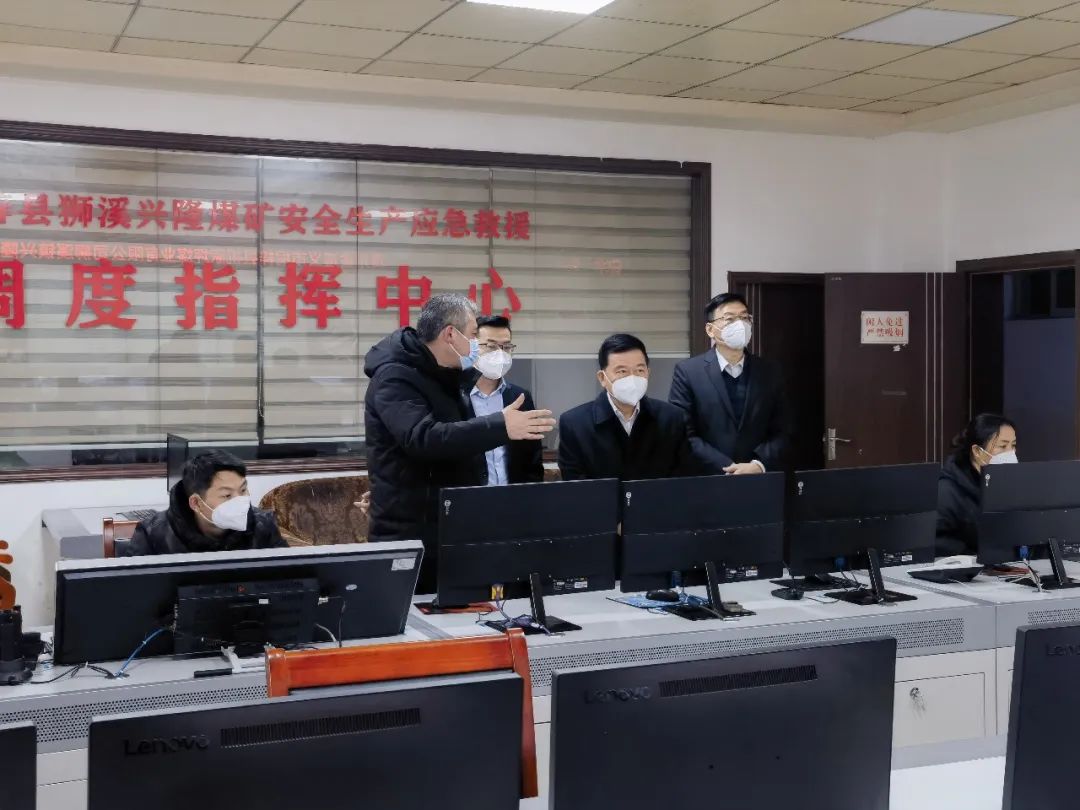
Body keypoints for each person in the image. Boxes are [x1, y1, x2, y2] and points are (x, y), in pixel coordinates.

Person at [364, 293, 555, 592]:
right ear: (450, 334)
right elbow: (424, 437)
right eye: (474, 335)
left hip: (455, 528)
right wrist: (501, 425)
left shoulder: (445, 376)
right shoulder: (395, 377)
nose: (476, 344)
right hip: (412, 534)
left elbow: (461, 442)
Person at [669, 292, 789, 475]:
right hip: (709, 477)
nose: (740, 325)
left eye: (744, 318)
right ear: (710, 330)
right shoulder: (688, 372)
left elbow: (784, 429)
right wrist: (727, 467)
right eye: (730, 319)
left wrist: (758, 464)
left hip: (759, 477)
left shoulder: (770, 372)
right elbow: (683, 433)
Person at [558, 333, 694, 481]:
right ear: (602, 378)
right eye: (622, 371)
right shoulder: (574, 424)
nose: (632, 378)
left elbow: (682, 478)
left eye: (639, 370)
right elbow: (575, 485)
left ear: (648, 372)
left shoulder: (672, 418)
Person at [127, 450, 286, 555]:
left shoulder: (264, 526)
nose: (240, 500)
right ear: (196, 503)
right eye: (227, 495)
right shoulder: (152, 535)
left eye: (243, 490)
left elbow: (289, 581)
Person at [464, 315, 544, 485]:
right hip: (469, 497)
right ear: (472, 347)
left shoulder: (520, 397)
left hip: (514, 497)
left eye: (506, 347)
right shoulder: (456, 396)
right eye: (491, 346)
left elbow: (532, 458)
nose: (500, 354)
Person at [937, 413, 1018, 557]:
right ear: (977, 451)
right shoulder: (947, 490)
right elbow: (937, 540)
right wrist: (972, 556)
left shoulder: (1008, 485)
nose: (1010, 453)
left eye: (1013, 445)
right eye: (1002, 446)